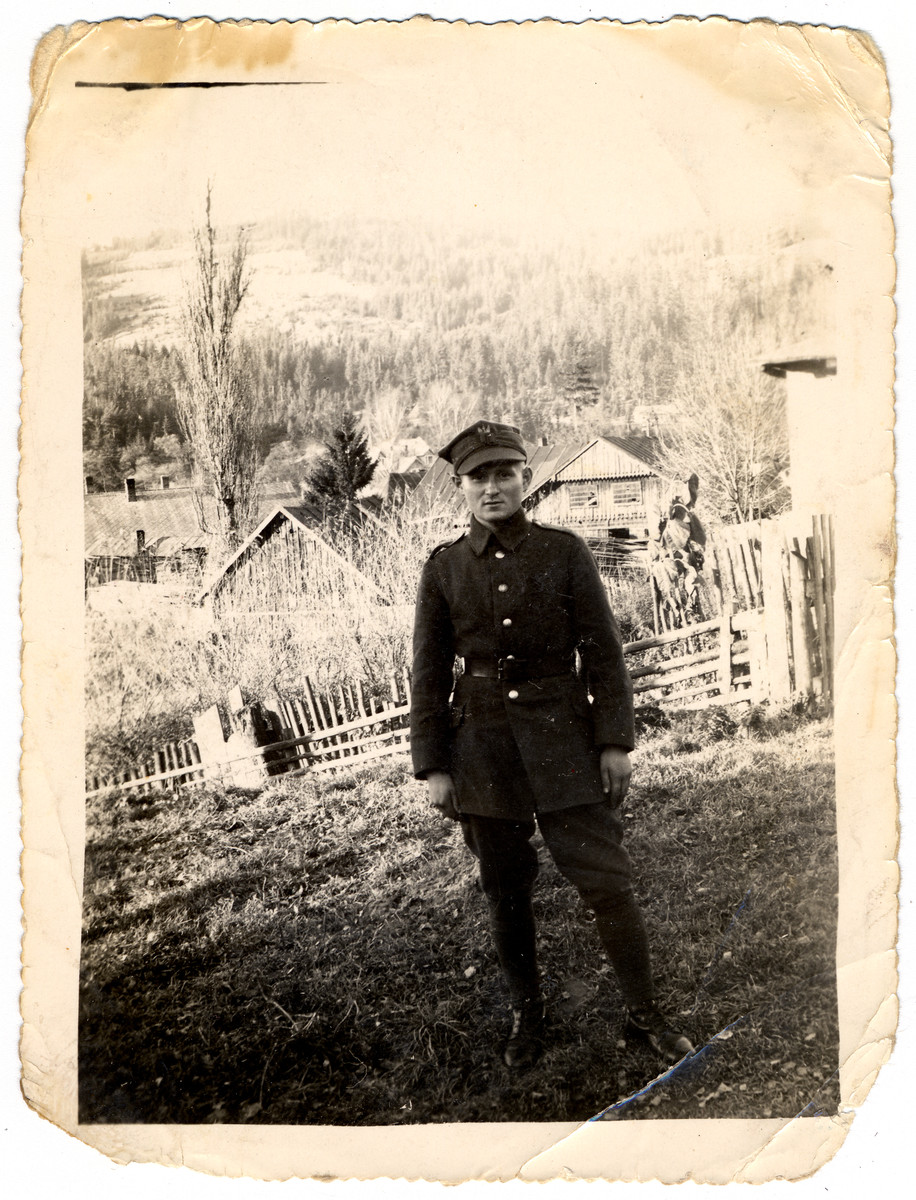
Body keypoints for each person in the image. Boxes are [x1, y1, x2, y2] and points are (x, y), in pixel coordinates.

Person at [410, 419, 695, 1070]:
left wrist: (614, 742)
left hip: (565, 740)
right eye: (478, 477)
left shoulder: (564, 553)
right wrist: (433, 765)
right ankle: (527, 1016)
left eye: (503, 474)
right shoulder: (444, 568)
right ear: (460, 487)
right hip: (481, 749)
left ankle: (644, 1014)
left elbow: (602, 652)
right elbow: (427, 674)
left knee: (607, 882)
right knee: (505, 891)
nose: (492, 487)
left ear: (525, 479)